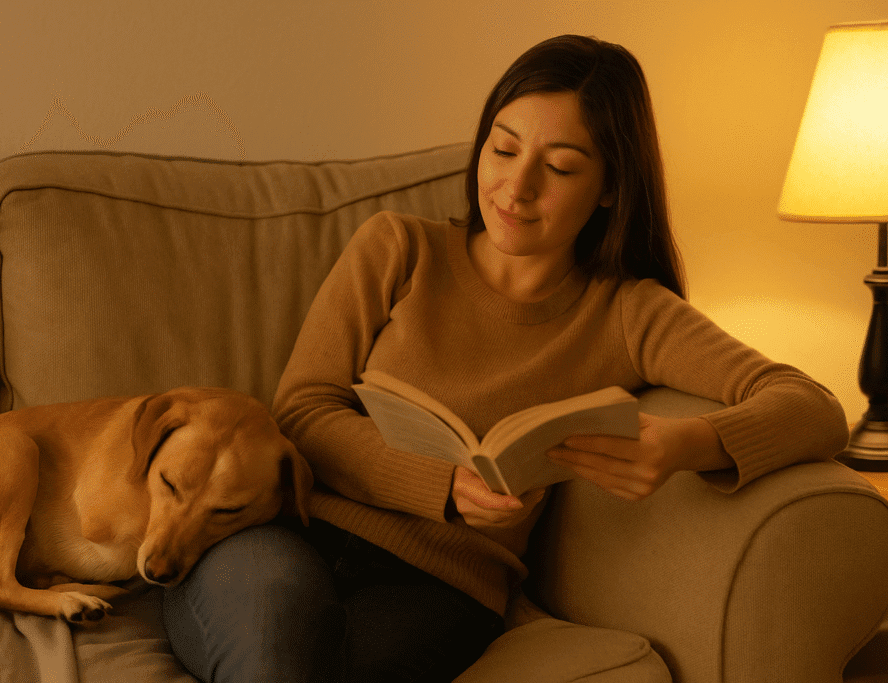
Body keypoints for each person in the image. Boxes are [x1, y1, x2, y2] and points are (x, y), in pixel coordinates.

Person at [160, 34, 848, 682]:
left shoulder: (631, 312)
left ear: (610, 186)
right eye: (503, 148)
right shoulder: (398, 247)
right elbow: (302, 411)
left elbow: (812, 405)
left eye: (559, 168)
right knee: (276, 637)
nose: (516, 189)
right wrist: (445, 487)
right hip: (296, 534)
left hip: (442, 582)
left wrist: (685, 444)